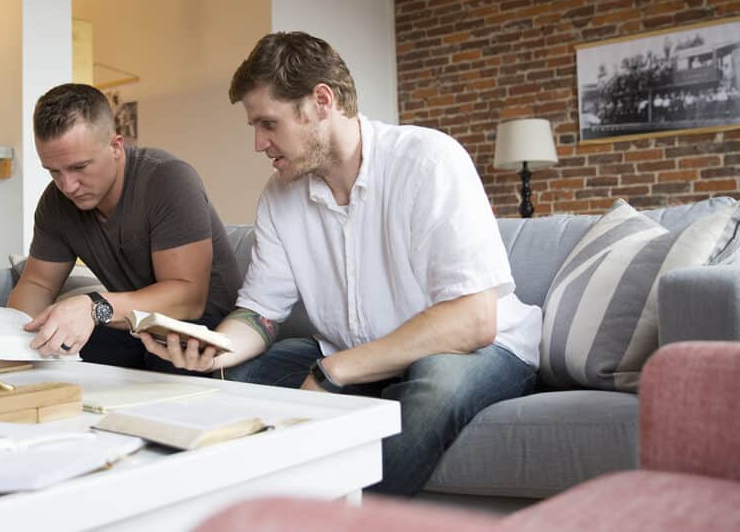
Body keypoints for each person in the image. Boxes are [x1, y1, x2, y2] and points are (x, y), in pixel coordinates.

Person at [140, 32, 542, 495]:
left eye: (268, 124)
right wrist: (213, 348)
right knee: (235, 383)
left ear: (321, 101)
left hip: (476, 351)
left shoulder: (427, 161)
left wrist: (334, 372)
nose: (258, 143)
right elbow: (262, 312)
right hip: (352, 351)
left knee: (433, 391)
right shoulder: (278, 197)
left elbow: (473, 320)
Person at [10, 83, 242, 372]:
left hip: (202, 328)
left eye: (80, 167)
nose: (67, 186)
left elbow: (188, 299)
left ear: (116, 146)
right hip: (135, 326)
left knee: (160, 361)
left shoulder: (168, 179)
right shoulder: (56, 203)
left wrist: (94, 306)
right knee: (55, 356)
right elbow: (38, 284)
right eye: (54, 171)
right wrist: (11, 338)